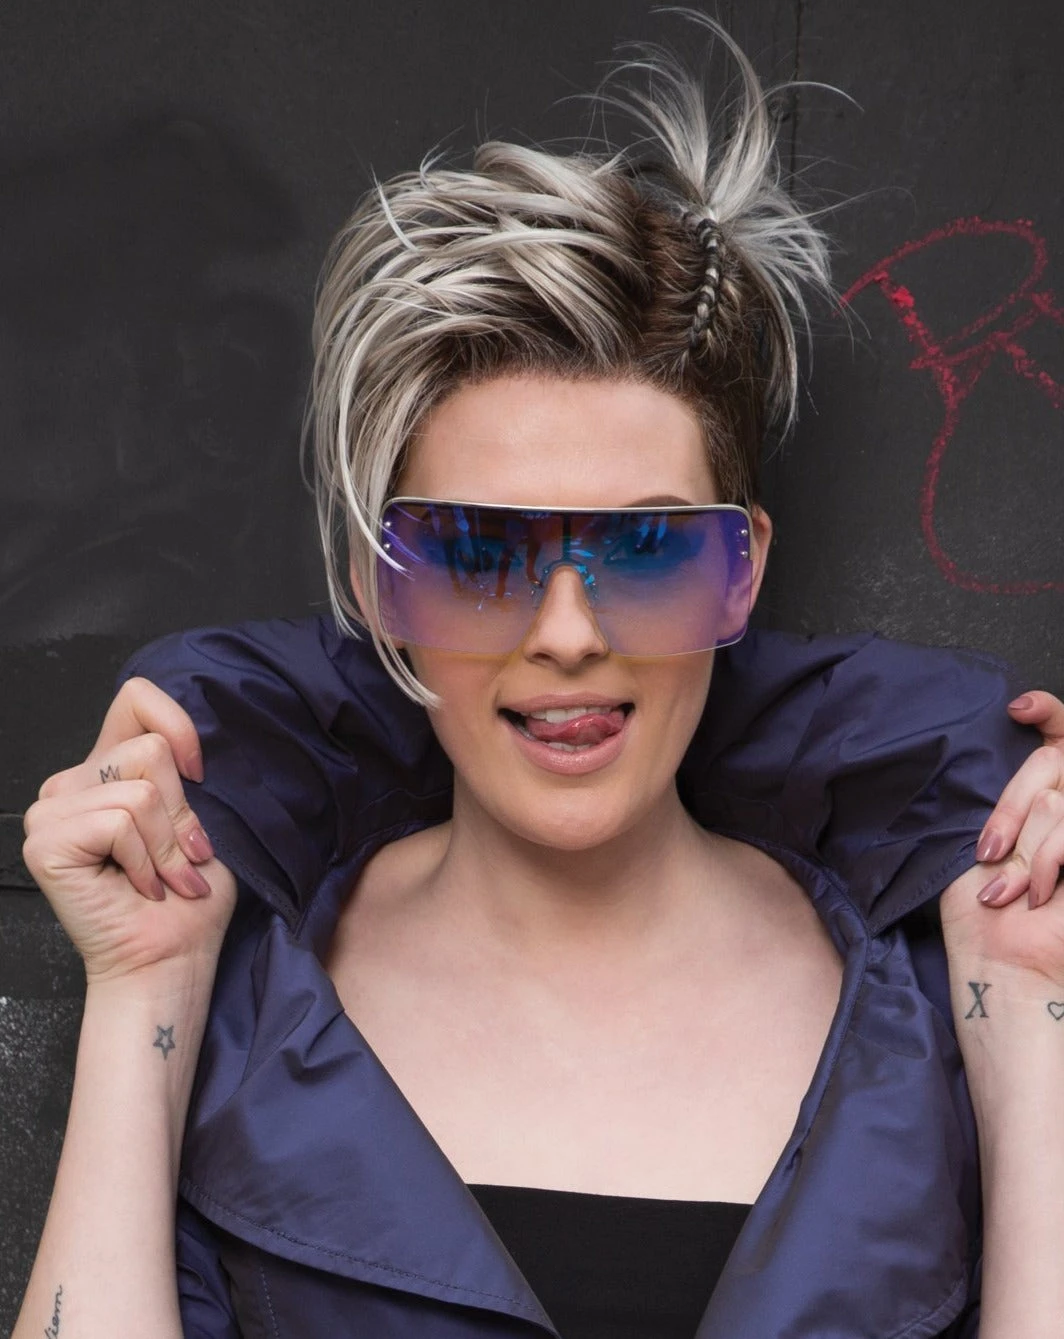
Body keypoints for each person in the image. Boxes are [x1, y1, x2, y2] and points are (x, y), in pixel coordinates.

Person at [14, 19, 1064, 1339]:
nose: (567, 633)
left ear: (742, 574)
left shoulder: (928, 1004)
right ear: (376, 585)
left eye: (649, 548)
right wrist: (142, 994)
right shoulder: (243, 999)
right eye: (475, 551)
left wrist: (1031, 1004)